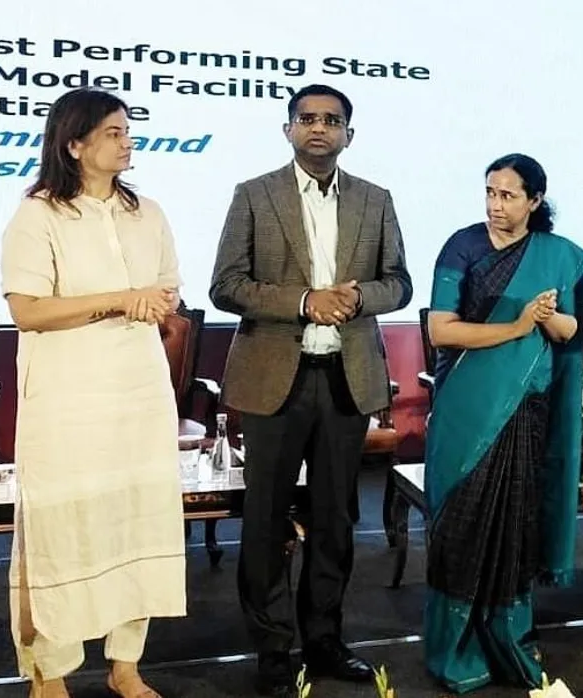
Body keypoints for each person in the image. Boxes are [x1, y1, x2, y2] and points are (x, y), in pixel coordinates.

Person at [209, 84, 412, 696]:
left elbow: (398, 283)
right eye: (307, 118)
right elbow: (226, 285)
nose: (319, 127)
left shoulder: (376, 199)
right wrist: (303, 301)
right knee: (266, 521)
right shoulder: (254, 194)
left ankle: (324, 641)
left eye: (331, 120)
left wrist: (358, 297)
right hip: (274, 380)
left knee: (335, 519)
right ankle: (273, 649)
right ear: (288, 129)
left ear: (349, 133)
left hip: (346, 380)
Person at [0, 87, 186, 698]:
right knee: (62, 528)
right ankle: (48, 671)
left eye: (127, 130)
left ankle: (125, 665)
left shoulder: (147, 212)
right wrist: (118, 299)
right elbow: (28, 310)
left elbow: (168, 290)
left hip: (138, 391)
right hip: (68, 399)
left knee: (135, 521)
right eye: (113, 132)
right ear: (74, 144)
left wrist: (157, 302)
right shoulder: (38, 215)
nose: (127, 141)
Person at [422, 154, 583, 693]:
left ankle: (508, 639)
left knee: (515, 524)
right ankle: (455, 649)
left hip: (526, 409)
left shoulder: (556, 256)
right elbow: (441, 331)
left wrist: (547, 318)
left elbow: (569, 331)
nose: (496, 205)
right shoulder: (462, 246)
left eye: (508, 195)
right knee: (462, 524)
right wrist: (517, 326)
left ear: (534, 201)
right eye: (490, 193)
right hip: (466, 406)